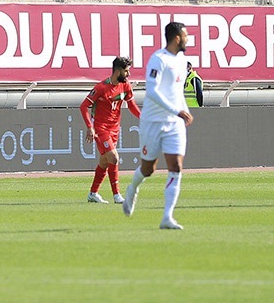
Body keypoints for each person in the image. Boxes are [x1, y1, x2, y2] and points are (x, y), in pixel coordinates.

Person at [122, 21, 193, 229]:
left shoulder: (182, 60)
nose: (188, 39)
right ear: (177, 38)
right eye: (186, 36)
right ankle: (132, 188)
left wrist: (184, 110)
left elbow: (177, 92)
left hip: (174, 123)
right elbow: (152, 92)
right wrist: (176, 111)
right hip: (153, 122)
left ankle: (167, 217)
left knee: (176, 167)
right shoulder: (158, 59)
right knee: (148, 168)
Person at [80, 56, 141, 204]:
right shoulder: (101, 87)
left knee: (104, 162)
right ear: (118, 71)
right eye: (126, 71)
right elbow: (83, 106)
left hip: (115, 128)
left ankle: (93, 193)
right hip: (100, 128)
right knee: (114, 157)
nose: (129, 75)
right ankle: (117, 195)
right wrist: (90, 127)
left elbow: (131, 105)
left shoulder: (125, 86)